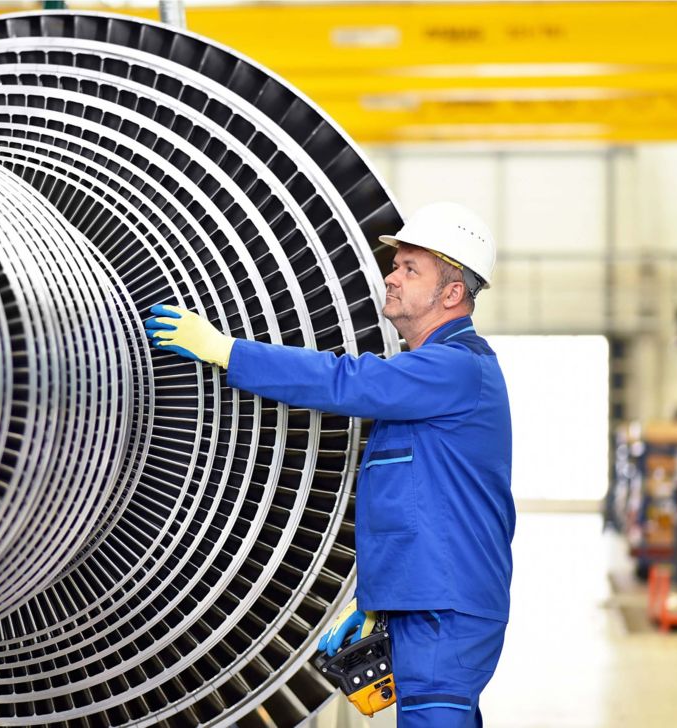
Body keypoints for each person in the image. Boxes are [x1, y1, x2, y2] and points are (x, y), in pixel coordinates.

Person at [144, 202, 514, 727]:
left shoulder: (455, 370)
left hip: (445, 611)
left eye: (411, 269)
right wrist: (376, 603)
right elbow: (415, 506)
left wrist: (227, 351)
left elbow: (346, 380)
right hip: (426, 606)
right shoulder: (426, 382)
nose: (392, 277)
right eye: (396, 265)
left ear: (452, 294)